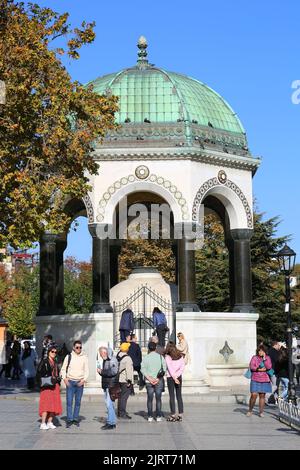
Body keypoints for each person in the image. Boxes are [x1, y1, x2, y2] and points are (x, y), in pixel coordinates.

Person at [60, 340, 89, 428]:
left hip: (80, 383)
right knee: (69, 402)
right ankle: (69, 419)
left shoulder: (84, 357)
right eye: (77, 347)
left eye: (80, 347)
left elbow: (87, 370)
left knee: (78, 402)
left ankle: (75, 419)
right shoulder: (68, 356)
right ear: (73, 348)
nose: (78, 349)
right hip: (70, 382)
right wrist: (65, 379)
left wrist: (83, 380)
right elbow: (63, 369)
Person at [37, 345, 62, 430]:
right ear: (48, 352)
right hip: (46, 386)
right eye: (52, 352)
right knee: (46, 404)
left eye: (55, 352)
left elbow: (57, 373)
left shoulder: (55, 362)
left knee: (54, 404)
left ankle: (50, 422)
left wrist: (58, 379)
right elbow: (39, 373)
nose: (54, 353)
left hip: (55, 386)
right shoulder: (44, 361)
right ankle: (43, 423)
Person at [141, 341, 167, 422]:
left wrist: (149, 378)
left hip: (149, 381)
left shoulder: (146, 358)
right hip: (158, 380)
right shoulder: (160, 357)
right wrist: (157, 379)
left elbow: (142, 369)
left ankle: (150, 416)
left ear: (148, 348)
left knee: (150, 399)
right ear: (155, 348)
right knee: (158, 399)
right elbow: (164, 369)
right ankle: (158, 415)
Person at [247, 344, 272, 417]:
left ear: (265, 351)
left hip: (265, 379)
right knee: (253, 395)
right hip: (255, 378)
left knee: (262, 396)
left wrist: (264, 359)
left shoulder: (267, 358)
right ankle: (250, 410)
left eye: (262, 351)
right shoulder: (254, 358)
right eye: (259, 351)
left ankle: (261, 412)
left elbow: (269, 366)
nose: (260, 352)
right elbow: (252, 366)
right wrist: (259, 369)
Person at [97, 346, 119, 430]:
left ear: (104, 352)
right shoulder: (106, 360)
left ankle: (111, 423)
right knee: (109, 405)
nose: (101, 356)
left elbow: (113, 371)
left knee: (109, 404)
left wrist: (102, 371)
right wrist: (100, 372)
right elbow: (106, 373)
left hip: (111, 386)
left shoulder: (112, 360)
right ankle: (111, 421)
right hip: (107, 385)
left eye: (101, 354)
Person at [165, 342, 185, 422]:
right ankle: (180, 414)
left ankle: (173, 415)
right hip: (179, 377)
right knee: (179, 395)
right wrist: (177, 376)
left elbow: (170, 369)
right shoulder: (180, 356)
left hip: (170, 377)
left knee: (172, 396)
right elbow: (182, 367)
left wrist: (174, 377)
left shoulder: (168, 357)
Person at [116, 342, 134, 419]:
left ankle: (119, 412)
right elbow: (129, 371)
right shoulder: (127, 358)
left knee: (120, 397)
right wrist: (129, 381)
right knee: (124, 397)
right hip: (125, 380)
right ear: (127, 349)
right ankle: (123, 413)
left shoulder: (118, 356)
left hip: (119, 379)